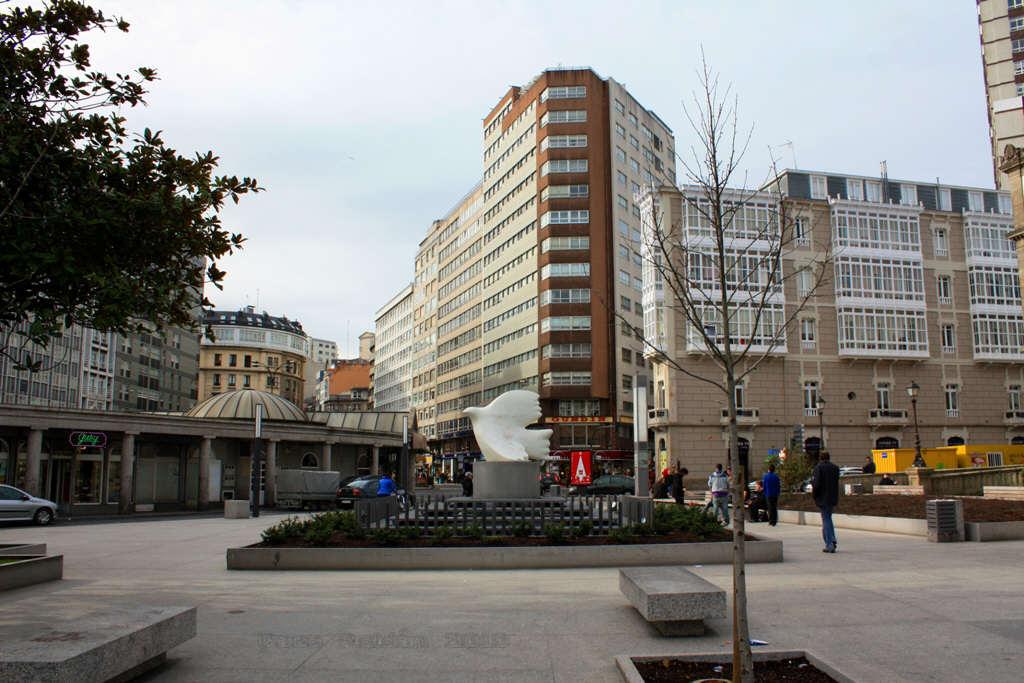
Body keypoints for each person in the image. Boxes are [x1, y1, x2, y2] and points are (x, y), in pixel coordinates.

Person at [811, 451, 841, 553]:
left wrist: (814, 496)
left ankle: (830, 543)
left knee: (826, 519)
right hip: (832, 497)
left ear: (820, 458)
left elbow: (816, 484)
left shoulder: (818, 468)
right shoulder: (835, 468)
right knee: (828, 518)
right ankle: (832, 540)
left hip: (823, 498)